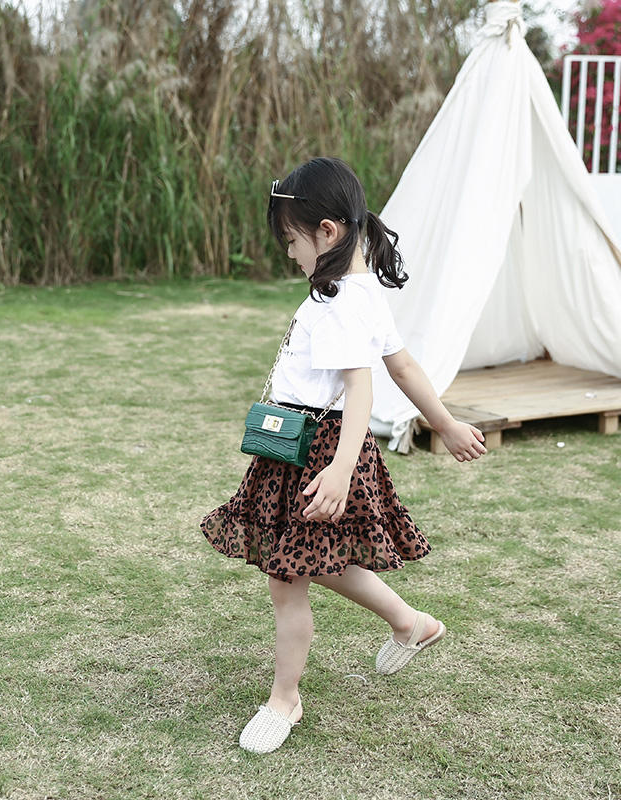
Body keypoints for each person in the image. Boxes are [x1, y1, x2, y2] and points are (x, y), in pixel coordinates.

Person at [200, 156, 487, 755]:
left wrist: (339, 469)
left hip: (321, 450)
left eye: (292, 240)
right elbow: (403, 365)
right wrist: (445, 424)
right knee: (311, 560)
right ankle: (410, 624)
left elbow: (363, 389)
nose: (290, 254)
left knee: (287, 576)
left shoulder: (338, 301)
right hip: (308, 448)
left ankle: (285, 699)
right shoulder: (360, 291)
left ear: (327, 232)